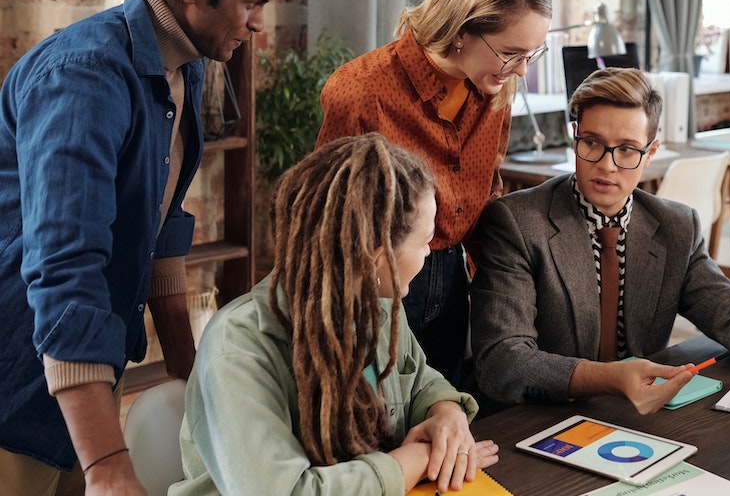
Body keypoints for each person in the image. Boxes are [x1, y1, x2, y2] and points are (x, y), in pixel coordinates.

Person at [0, 0, 279, 494]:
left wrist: (189, 369)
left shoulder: (187, 66)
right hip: (20, 367)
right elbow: (65, 268)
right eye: (252, 3)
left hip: (85, 370)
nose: (259, 24)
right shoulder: (83, 76)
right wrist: (107, 464)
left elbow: (160, 221)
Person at [470, 68, 730, 414]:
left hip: (639, 419)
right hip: (533, 420)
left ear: (650, 154)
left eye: (628, 150)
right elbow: (503, 361)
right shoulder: (517, 221)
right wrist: (610, 378)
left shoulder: (675, 226)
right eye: (592, 144)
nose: (607, 165)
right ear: (574, 137)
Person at [173, 134, 499, 495]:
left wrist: (445, 413)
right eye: (425, 242)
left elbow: (419, 379)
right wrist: (419, 459)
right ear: (377, 257)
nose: (428, 254)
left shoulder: (379, 304)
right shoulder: (237, 347)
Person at [316, 0, 553, 385]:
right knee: (378, 421)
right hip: (375, 284)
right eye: (511, 53)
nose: (521, 69)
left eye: (531, 54)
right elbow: (329, 222)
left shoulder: (495, 88)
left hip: (451, 279)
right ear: (462, 32)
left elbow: (487, 194)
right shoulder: (362, 90)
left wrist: (508, 289)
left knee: (440, 411)